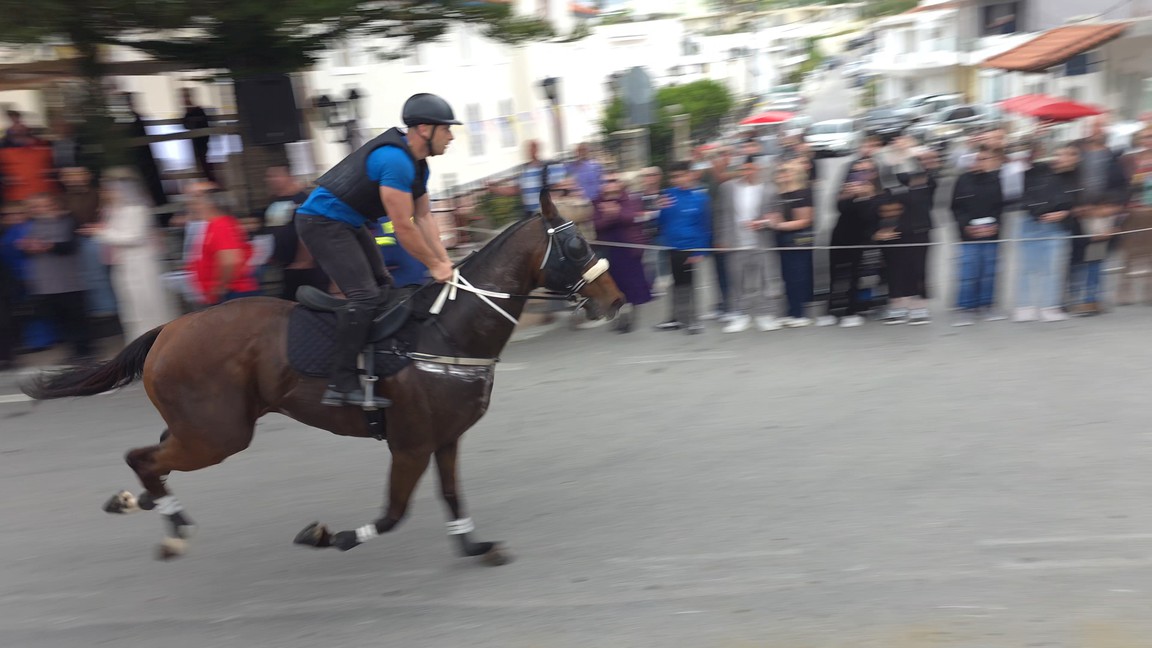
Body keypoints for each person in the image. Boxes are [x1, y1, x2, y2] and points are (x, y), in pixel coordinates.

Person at [295, 93, 457, 407]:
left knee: (384, 288)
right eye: (446, 129)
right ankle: (341, 382)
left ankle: (380, 362)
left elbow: (424, 217)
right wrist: (434, 266)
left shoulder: (419, 166)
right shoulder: (394, 161)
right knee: (365, 296)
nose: (451, 136)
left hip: (348, 222)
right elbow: (404, 226)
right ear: (424, 129)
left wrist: (443, 260)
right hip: (321, 222)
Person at [85, 168, 176, 340]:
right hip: (124, 265)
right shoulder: (114, 211)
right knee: (130, 308)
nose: (106, 193)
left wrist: (101, 233)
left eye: (109, 188)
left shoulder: (137, 209)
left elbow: (134, 236)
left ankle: (156, 342)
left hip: (141, 265)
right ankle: (138, 345)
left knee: (147, 304)